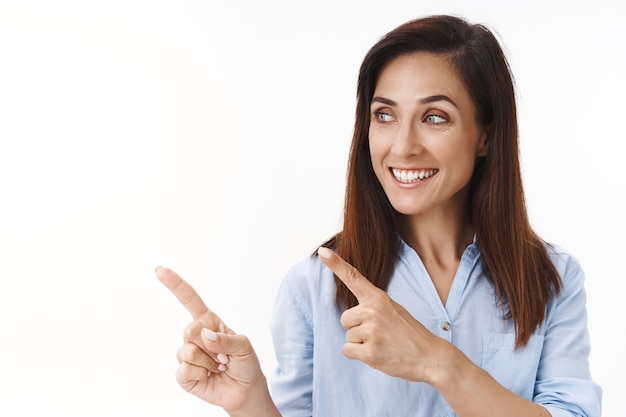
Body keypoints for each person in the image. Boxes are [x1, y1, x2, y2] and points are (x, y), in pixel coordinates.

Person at [156, 14, 602, 417]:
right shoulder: (313, 285)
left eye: (434, 117)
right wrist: (248, 402)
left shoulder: (551, 280)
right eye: (385, 115)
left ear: (485, 135)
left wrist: (436, 361)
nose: (403, 145)